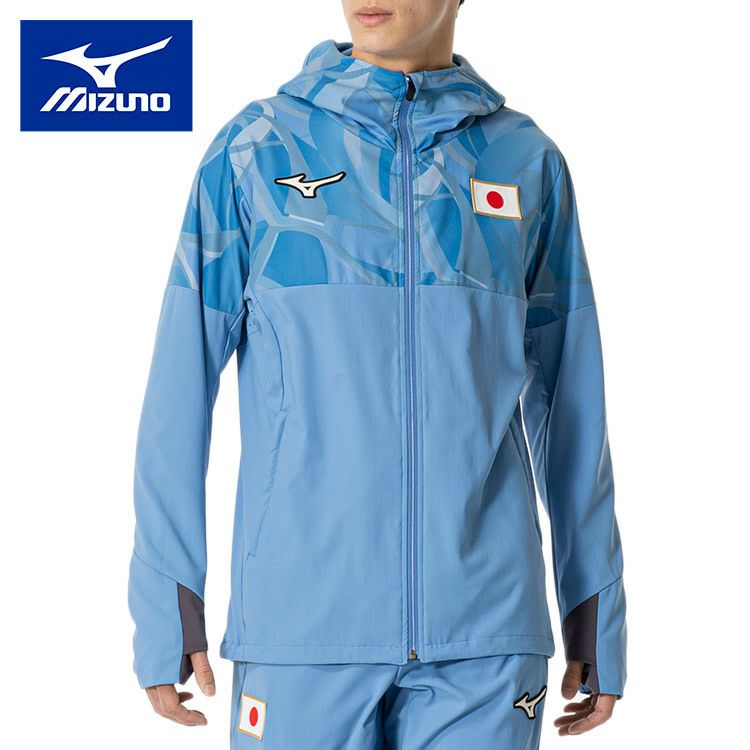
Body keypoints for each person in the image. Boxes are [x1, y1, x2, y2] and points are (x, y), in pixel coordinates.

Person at [128, 1, 627, 746]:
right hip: (301, 627)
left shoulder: (525, 161)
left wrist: (594, 603)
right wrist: (168, 600)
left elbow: (573, 401)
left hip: (487, 636)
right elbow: (179, 389)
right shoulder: (255, 150)